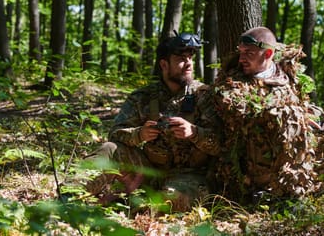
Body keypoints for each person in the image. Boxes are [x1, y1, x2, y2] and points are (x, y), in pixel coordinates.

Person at [78, 31, 221, 212]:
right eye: (181, 58)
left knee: (171, 199)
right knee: (109, 149)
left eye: (190, 57)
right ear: (164, 64)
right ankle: (67, 196)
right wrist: (139, 134)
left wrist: (194, 132)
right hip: (148, 171)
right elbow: (115, 133)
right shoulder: (144, 97)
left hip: (190, 177)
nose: (189, 63)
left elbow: (221, 144)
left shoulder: (204, 96)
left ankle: (137, 210)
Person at [203, 26, 318, 203]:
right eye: (240, 52)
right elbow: (239, 114)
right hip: (247, 172)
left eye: (249, 53)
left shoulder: (288, 79)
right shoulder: (233, 82)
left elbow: (305, 108)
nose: (241, 59)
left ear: (268, 54)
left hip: (286, 167)